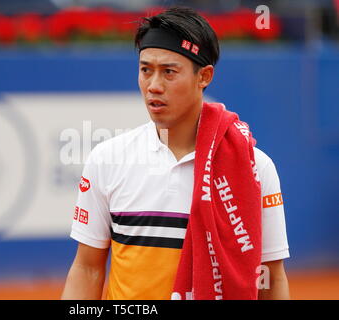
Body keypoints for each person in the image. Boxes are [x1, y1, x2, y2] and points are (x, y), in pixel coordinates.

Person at [61, 6, 290, 300]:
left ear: (204, 76)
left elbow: (270, 276)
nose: (154, 86)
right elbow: (87, 268)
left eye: (169, 72)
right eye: (146, 70)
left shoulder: (255, 167)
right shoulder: (106, 160)